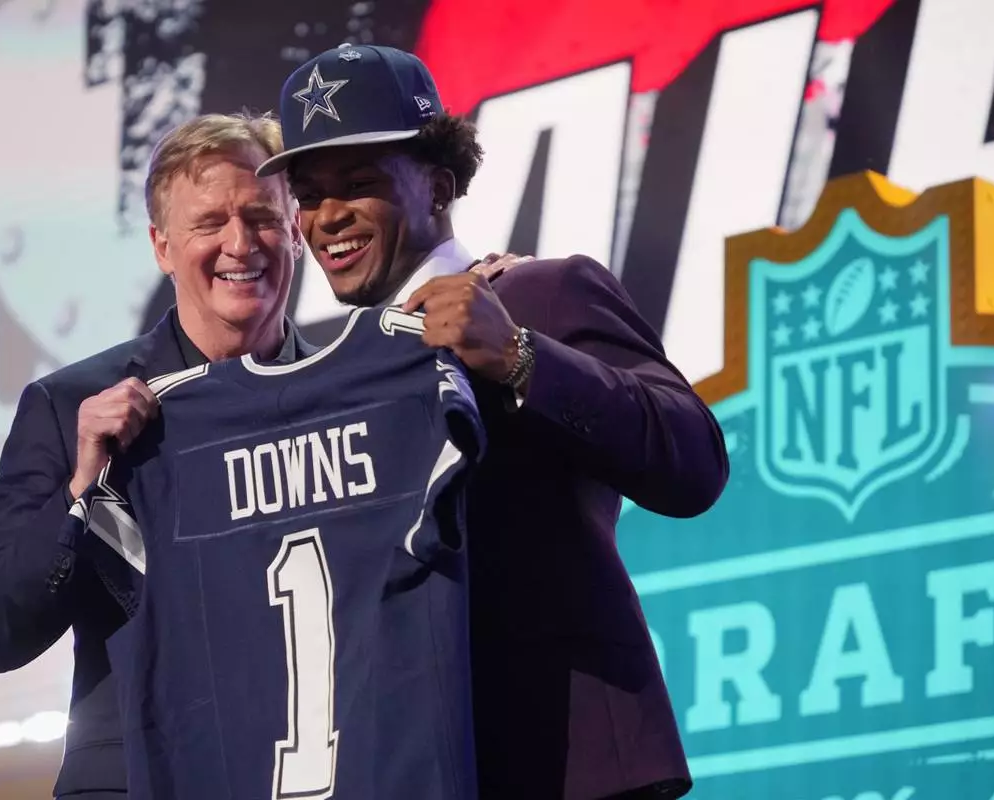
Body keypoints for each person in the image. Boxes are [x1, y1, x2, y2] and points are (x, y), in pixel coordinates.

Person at [258, 44, 730, 800]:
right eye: (308, 196)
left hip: (570, 768)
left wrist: (518, 358)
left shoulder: (542, 294)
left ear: (438, 186)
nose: (326, 217)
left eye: (358, 184)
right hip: (415, 769)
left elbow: (694, 460)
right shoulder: (331, 377)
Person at [0, 112, 317, 799]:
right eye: (209, 223)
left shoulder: (342, 395)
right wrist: (81, 490)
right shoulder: (69, 406)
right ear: (161, 246)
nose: (240, 244)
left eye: (262, 217)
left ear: (295, 230)